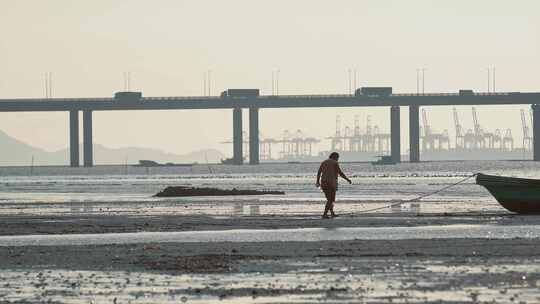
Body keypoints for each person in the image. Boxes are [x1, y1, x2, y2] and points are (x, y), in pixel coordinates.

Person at [316, 152, 352, 219]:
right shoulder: (335, 163)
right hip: (331, 183)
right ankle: (324, 214)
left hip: (323, 183)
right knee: (330, 199)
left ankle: (332, 213)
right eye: (338, 158)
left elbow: (319, 172)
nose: (338, 159)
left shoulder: (324, 162)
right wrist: (347, 179)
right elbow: (340, 173)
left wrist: (317, 181)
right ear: (335, 157)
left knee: (329, 199)